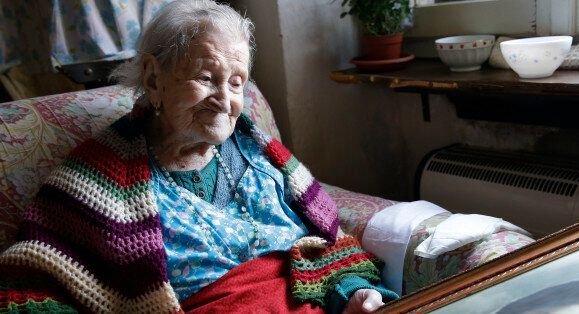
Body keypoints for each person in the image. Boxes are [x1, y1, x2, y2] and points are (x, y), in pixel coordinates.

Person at [0, 1, 397, 313]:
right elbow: (31, 281)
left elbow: (329, 246)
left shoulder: (262, 155)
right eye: (206, 78)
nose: (225, 100)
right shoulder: (98, 179)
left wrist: (355, 292)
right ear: (154, 79)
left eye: (236, 82)